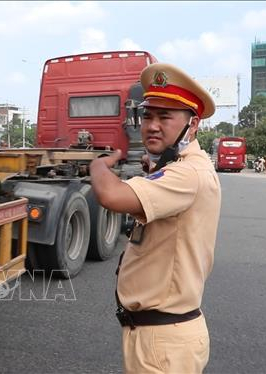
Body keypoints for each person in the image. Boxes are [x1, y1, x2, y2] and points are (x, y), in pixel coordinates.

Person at [90, 62, 221, 373]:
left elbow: (110, 195)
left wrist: (98, 164)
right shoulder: (177, 167)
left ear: (193, 125)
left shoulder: (187, 174)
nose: (152, 125)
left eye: (166, 117)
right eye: (147, 115)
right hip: (158, 336)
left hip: (164, 342)